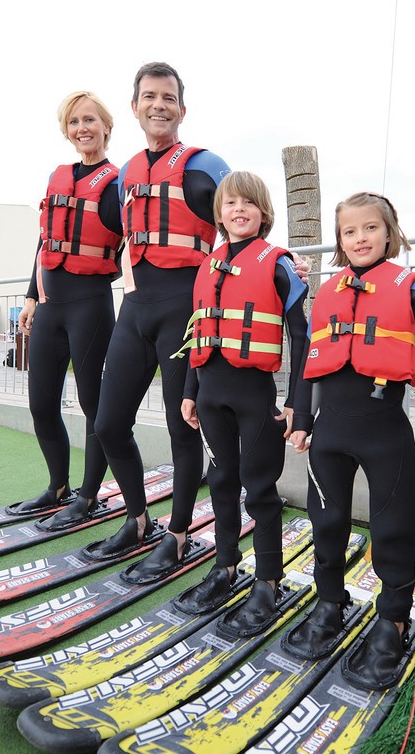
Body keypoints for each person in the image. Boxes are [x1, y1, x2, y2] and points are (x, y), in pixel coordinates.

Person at [284, 192, 415, 689]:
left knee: (393, 529)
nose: (360, 238)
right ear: (340, 241)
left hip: (387, 434)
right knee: (326, 524)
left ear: (390, 232)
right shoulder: (327, 294)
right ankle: (330, 604)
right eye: (349, 231)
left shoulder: (411, 290)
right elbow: (310, 365)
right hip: (330, 436)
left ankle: (393, 619)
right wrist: (301, 417)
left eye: (369, 228)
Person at [84, 62, 231, 579]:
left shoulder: (206, 165)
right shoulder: (125, 173)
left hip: (186, 312)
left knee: (180, 426)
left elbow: (246, 218)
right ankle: (139, 518)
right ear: (135, 107)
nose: (159, 105)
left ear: (181, 108)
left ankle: (178, 534)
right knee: (106, 423)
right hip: (137, 308)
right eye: (149, 96)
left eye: (168, 97)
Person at [173, 171, 310, 634]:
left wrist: (296, 401)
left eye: (248, 204)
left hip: (254, 395)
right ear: (220, 213)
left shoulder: (278, 264)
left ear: (263, 213)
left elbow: (300, 335)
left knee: (260, 488)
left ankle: (269, 578)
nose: (238, 210)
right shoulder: (208, 265)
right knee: (221, 482)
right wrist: (191, 392)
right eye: (230, 203)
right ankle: (225, 566)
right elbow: (198, 329)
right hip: (210, 393)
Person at [12, 90, 123, 522]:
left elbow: (141, 233)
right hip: (50, 306)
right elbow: (45, 242)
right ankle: (58, 486)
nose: (83, 128)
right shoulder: (58, 178)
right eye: (75, 122)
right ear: (66, 131)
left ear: (106, 127)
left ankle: (89, 496)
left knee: (95, 409)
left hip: (90, 306)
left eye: (91, 120)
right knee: (41, 404)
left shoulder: (116, 183)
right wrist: (30, 297)